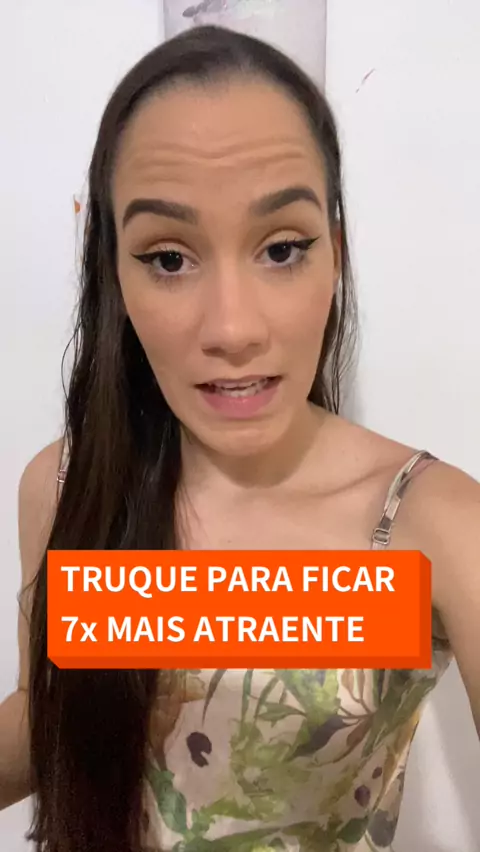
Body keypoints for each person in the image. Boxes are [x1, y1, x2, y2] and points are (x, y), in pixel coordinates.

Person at [0, 23, 478, 852]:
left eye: (282, 248)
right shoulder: (72, 483)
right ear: (114, 272)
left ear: (335, 255)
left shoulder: (430, 525)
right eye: (169, 259)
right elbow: (58, 727)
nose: (232, 328)